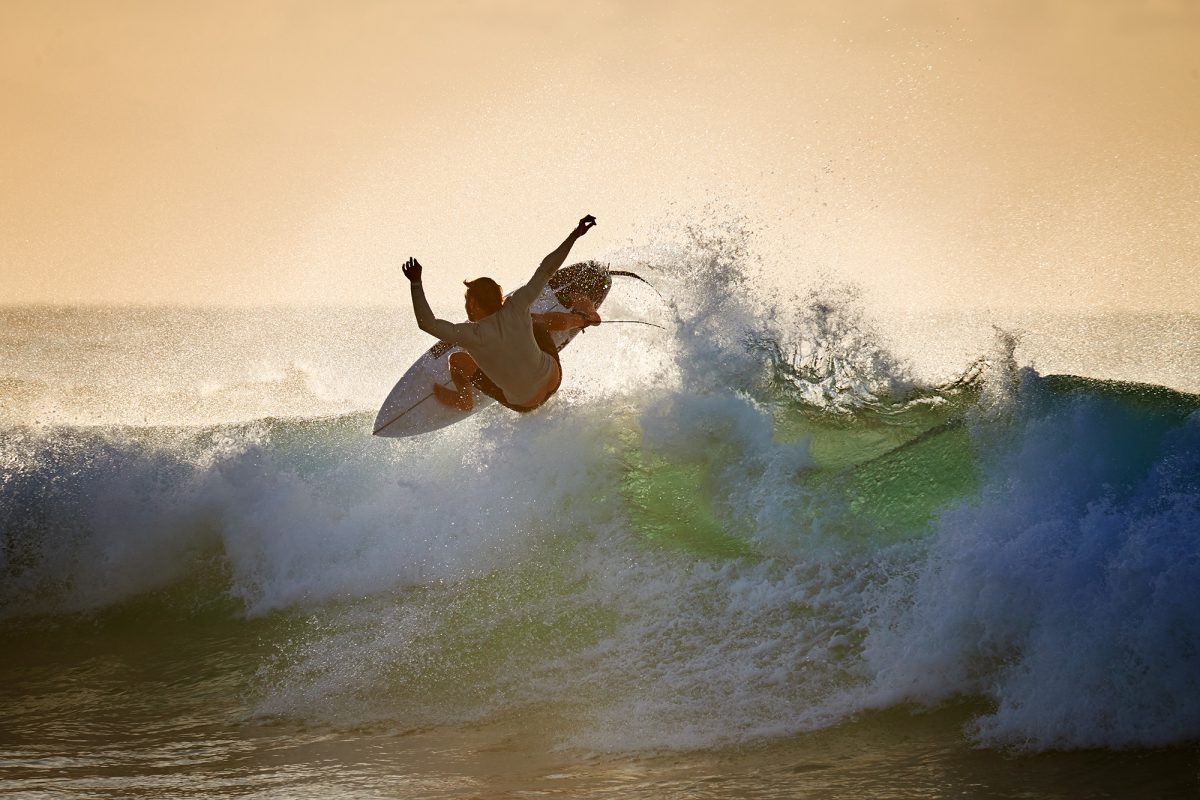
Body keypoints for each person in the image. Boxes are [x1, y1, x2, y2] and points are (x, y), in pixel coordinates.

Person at [402, 214, 600, 413]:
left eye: (467, 300)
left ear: (474, 304)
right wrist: (575, 235)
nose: (465, 305)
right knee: (536, 322)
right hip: (553, 379)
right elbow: (546, 269)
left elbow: (426, 323)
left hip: (524, 403)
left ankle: (465, 399)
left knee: (456, 360)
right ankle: (584, 318)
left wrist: (415, 282)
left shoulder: (470, 335)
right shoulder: (517, 306)